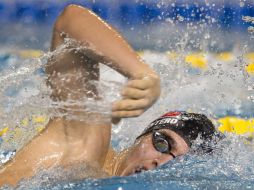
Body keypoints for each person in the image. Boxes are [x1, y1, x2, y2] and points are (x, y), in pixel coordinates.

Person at [0, 4, 219, 186]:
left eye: (175, 164)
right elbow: (70, 20)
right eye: (162, 144)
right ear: (142, 136)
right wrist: (142, 73)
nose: (158, 163)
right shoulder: (86, 145)